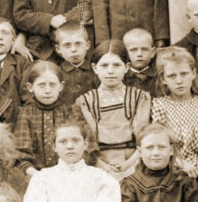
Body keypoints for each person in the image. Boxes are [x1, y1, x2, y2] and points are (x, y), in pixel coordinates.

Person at [21, 121, 123, 202]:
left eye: (75, 140)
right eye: (63, 142)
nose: (70, 146)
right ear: (54, 146)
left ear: (85, 144)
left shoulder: (103, 178)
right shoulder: (42, 178)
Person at [150, 47, 198, 181]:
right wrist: (183, 165)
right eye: (172, 76)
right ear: (163, 79)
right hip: (175, 169)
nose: (179, 80)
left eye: (184, 74)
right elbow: (163, 142)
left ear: (193, 73)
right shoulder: (159, 105)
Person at [78, 40, 151, 180]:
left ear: (126, 67)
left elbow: (144, 137)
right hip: (99, 163)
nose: (110, 71)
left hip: (134, 161)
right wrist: (103, 166)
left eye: (117, 65)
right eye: (104, 65)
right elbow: (88, 142)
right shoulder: (86, 101)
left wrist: (128, 164)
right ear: (95, 68)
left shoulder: (139, 97)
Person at [14, 61, 85, 175]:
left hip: (71, 173)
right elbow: (21, 154)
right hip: (36, 176)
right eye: (41, 85)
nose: (47, 90)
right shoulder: (25, 114)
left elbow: (83, 147)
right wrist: (37, 174)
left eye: (52, 84)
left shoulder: (71, 112)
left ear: (61, 86)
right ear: (30, 87)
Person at [0, 16, 31, 106]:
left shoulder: (22, 63)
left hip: (15, 117)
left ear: (13, 41)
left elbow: (28, 98)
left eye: (5, 33)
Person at [53, 22, 97, 106]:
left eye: (78, 44)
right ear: (58, 49)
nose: (73, 49)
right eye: (67, 45)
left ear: (87, 45)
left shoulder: (96, 71)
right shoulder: (56, 75)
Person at [122, 27, 160, 97]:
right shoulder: (121, 77)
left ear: (152, 52)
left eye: (144, 49)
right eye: (133, 50)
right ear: (125, 53)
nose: (139, 54)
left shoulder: (159, 78)